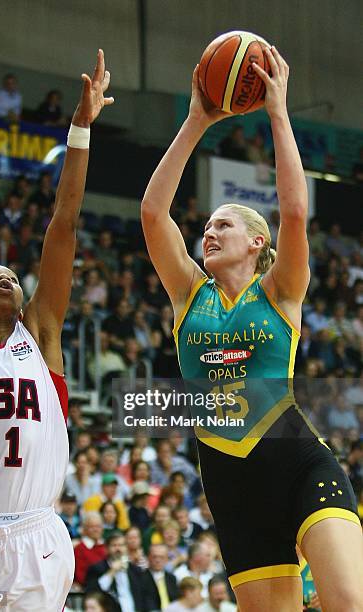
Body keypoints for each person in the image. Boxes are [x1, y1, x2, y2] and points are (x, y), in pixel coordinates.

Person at [141, 46, 363, 611]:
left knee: (347, 601)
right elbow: (152, 212)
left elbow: (294, 212)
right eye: (206, 227)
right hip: (230, 483)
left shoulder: (282, 291)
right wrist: (197, 120)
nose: (207, 234)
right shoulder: (188, 294)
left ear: (256, 242)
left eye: (222, 225)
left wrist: (278, 111)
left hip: (297, 463)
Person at [0, 50, 114, 610]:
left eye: (11, 277)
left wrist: (80, 131)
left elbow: (63, 222)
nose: (3, 279)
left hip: (34, 538)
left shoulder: (41, 334)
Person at [86, 531, 145, 612]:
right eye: (114, 545)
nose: (118, 549)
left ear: (126, 548)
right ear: (107, 548)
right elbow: (95, 592)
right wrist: (112, 571)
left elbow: (143, 596)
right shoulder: (97, 569)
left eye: (121, 545)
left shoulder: (135, 570)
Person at [142, 543, 179, 611]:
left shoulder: (172, 578)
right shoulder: (141, 578)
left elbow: (176, 601)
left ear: (167, 559)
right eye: (154, 557)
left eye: (161, 557)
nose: (158, 560)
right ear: (148, 558)